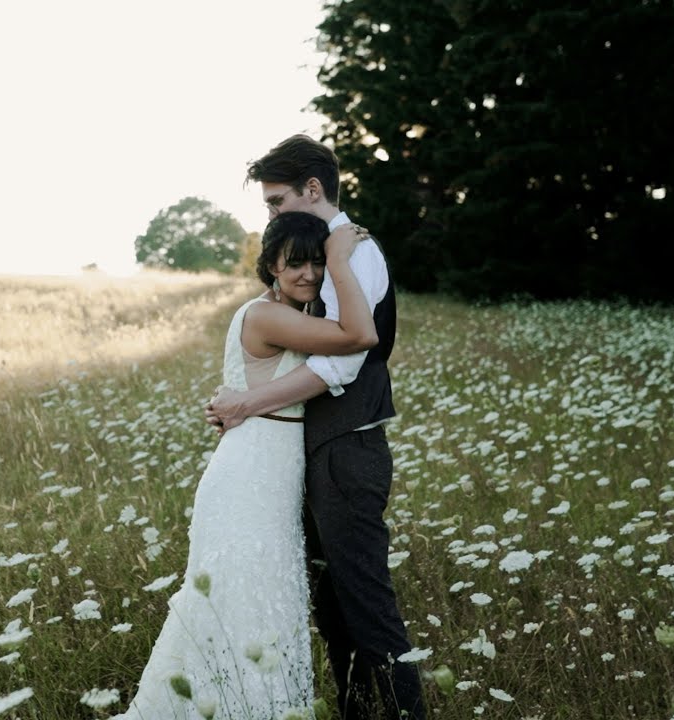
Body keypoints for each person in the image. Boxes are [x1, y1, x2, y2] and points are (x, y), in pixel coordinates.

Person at [112, 211, 377, 720]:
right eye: (295, 264)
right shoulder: (266, 316)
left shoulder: (284, 313)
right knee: (241, 604)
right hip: (249, 480)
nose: (309, 274)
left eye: (318, 263)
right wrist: (342, 259)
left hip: (265, 475)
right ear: (271, 266)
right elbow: (360, 334)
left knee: (259, 604)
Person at [206, 135, 426, 720]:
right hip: (310, 451)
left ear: (312, 188)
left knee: (366, 602)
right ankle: (356, 710)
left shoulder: (352, 253)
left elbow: (344, 361)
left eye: (276, 202)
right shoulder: (316, 256)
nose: (272, 215)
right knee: (333, 608)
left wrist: (248, 404)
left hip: (347, 448)